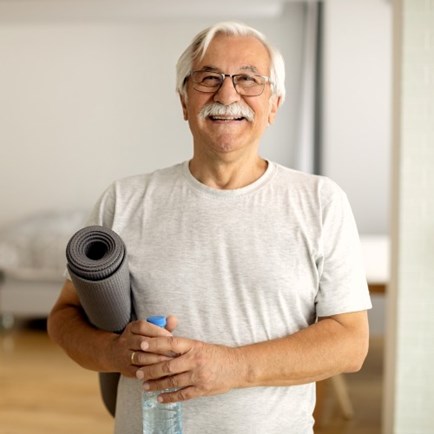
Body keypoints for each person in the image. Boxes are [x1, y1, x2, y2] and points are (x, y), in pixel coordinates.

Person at [47, 21, 371, 434]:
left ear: (274, 104)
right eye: (209, 78)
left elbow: (350, 344)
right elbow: (63, 317)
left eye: (248, 79)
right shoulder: (123, 200)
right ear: (184, 101)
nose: (227, 93)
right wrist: (113, 353)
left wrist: (232, 367)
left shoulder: (321, 202)